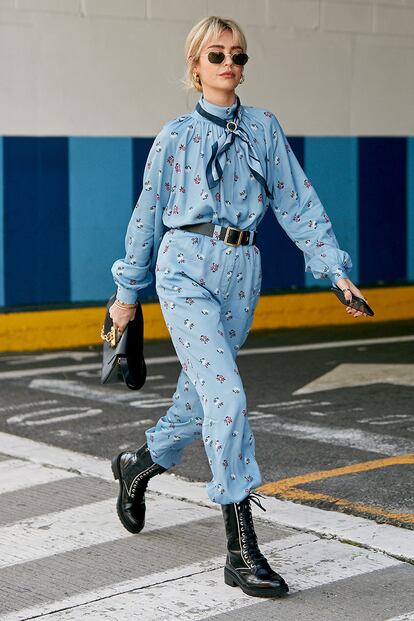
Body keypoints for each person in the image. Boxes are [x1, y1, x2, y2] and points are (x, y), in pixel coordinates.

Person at [109, 15, 368, 599]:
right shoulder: (173, 136)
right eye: (217, 55)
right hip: (185, 268)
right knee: (226, 396)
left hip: (241, 274)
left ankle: (140, 465)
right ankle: (241, 546)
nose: (230, 65)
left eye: (239, 56)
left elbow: (298, 202)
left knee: (201, 398)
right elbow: (147, 217)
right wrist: (127, 296)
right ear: (195, 66)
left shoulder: (264, 128)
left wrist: (334, 271)